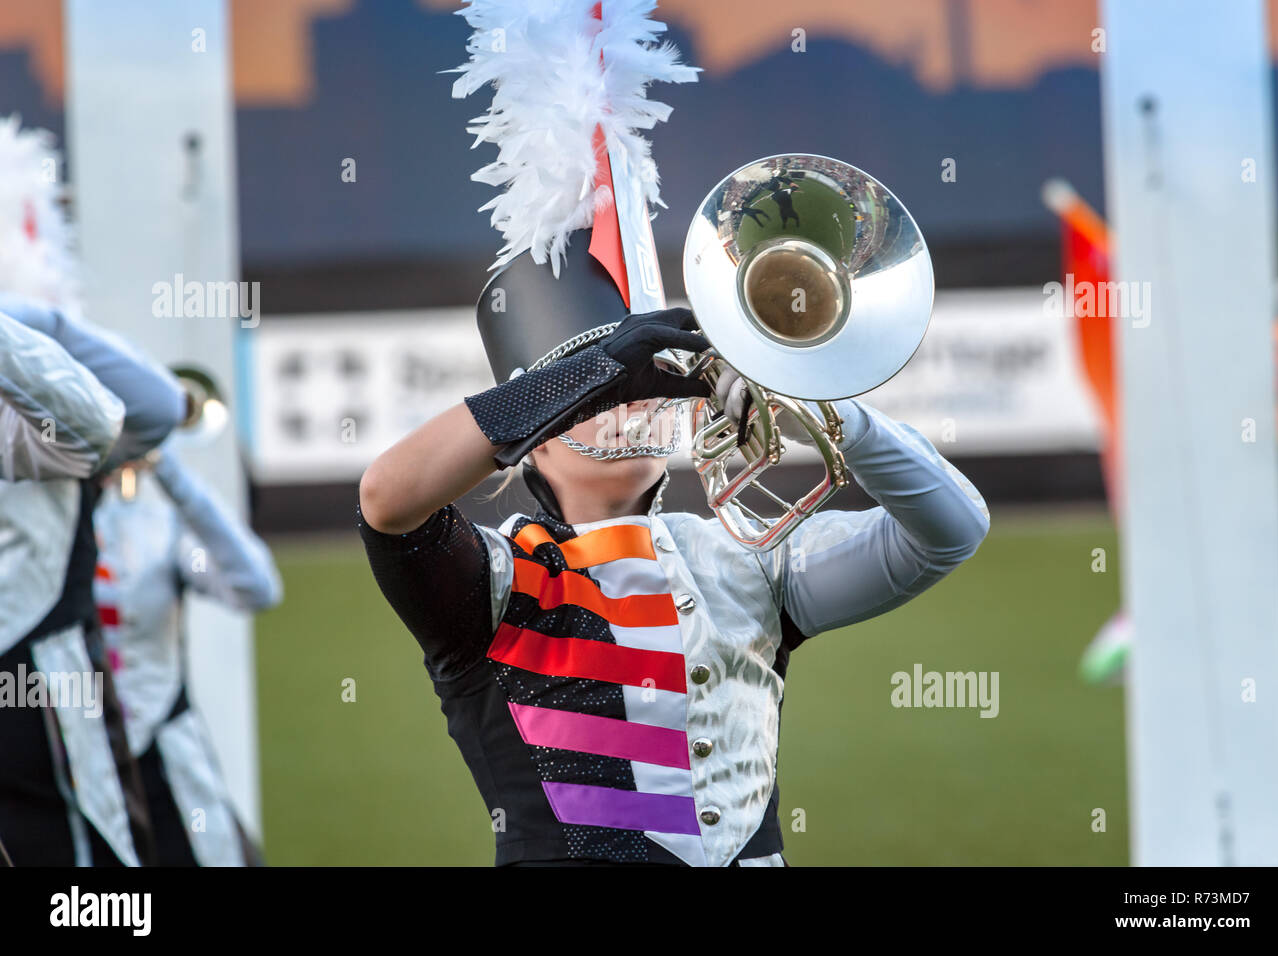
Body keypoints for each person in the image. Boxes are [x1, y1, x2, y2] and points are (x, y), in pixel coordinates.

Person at [357, 1, 990, 866]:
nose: (621, 406)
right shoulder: (500, 584)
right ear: (532, 440)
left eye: (632, 385)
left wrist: (824, 401)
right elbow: (387, 501)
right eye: (590, 400)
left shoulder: (749, 563)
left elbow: (952, 533)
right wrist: (589, 369)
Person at [0, 115, 186, 866]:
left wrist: (27, 322)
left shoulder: (22, 408)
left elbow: (141, 412)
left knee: (93, 889)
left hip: (34, 673)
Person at [93, 444, 281, 866]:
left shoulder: (156, 526)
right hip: (64, 760)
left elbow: (258, 586)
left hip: (162, 753)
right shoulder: (27, 532)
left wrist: (172, 474)